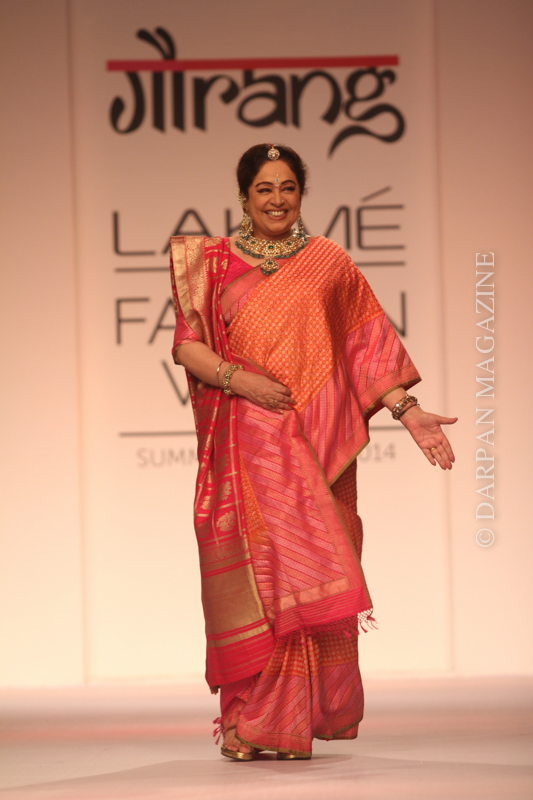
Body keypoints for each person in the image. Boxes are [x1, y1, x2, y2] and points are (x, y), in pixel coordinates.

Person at [169, 143, 457, 761]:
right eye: (264, 188)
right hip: (248, 440)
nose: (277, 199)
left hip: (319, 445)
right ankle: (253, 714)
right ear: (244, 196)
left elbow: (365, 349)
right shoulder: (212, 262)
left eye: (288, 187)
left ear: (302, 193)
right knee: (264, 578)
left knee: (303, 576)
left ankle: (286, 719)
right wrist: (241, 381)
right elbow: (187, 346)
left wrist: (407, 411)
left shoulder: (330, 262)